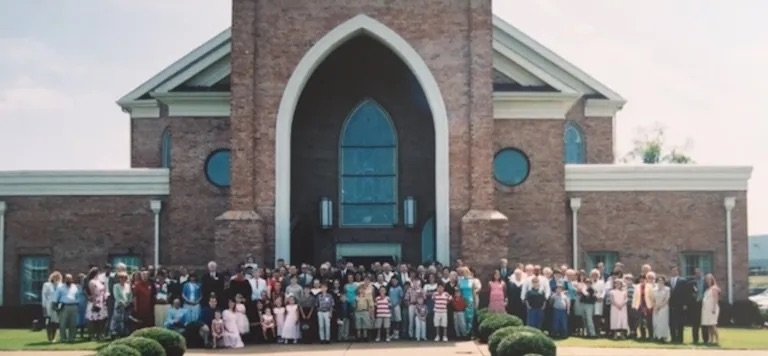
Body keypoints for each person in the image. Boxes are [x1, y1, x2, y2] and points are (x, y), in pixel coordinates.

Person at [85, 267, 109, 340]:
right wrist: (95, 303)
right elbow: (93, 293)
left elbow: (104, 290)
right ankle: (92, 335)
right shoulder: (91, 282)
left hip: (102, 301)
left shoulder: (99, 281)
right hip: (95, 301)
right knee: (93, 320)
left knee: (102, 319)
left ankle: (100, 334)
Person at [55, 274, 80, 343]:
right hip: (64, 306)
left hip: (74, 306)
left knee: (73, 324)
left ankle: (71, 338)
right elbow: (56, 297)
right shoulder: (60, 287)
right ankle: (63, 338)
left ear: (72, 280)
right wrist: (56, 306)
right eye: (67, 279)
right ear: (64, 279)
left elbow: (77, 296)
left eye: (70, 279)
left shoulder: (75, 287)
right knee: (63, 323)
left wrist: (77, 303)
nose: (68, 280)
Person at [632, 271, 656, 341]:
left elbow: (652, 297)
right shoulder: (637, 287)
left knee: (649, 322)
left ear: (646, 279)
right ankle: (643, 336)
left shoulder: (650, 286)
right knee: (641, 322)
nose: (642, 280)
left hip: (648, 306)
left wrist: (652, 305)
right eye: (641, 279)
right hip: (639, 306)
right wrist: (634, 306)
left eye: (643, 278)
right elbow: (635, 297)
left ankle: (651, 336)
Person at [668, 266, 688, 344]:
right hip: (671, 305)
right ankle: (673, 338)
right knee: (671, 323)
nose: (674, 272)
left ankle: (680, 339)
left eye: (676, 270)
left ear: (678, 271)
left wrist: (685, 304)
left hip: (680, 305)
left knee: (680, 322)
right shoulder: (668, 281)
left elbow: (686, 293)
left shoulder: (683, 281)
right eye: (673, 270)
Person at [110, 272, 132, 338]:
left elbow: (130, 295)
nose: (123, 279)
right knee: (117, 320)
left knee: (126, 320)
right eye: (121, 277)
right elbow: (116, 296)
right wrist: (122, 303)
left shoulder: (128, 286)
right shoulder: (116, 286)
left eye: (124, 278)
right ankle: (115, 333)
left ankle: (124, 333)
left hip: (127, 306)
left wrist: (128, 302)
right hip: (119, 306)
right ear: (119, 279)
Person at [457, 267, 479, 335]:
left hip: (470, 300)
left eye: (466, 272)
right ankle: (464, 332)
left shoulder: (472, 281)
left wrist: (475, 301)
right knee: (464, 317)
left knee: (470, 316)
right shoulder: (460, 281)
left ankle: (470, 332)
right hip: (463, 300)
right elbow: (459, 292)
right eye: (463, 272)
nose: (464, 273)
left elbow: (473, 292)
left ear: (468, 272)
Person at [42, 271, 62, 343]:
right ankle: (49, 337)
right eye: (54, 276)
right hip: (48, 305)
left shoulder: (60, 286)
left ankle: (53, 337)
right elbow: (44, 296)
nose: (56, 278)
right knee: (48, 322)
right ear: (52, 277)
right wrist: (44, 307)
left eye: (57, 277)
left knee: (55, 322)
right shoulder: (46, 285)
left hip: (57, 305)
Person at [701, 273, 721, 345]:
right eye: (707, 279)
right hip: (706, 309)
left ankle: (717, 340)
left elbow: (716, 299)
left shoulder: (714, 288)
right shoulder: (707, 290)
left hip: (712, 308)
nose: (708, 281)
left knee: (713, 324)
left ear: (712, 280)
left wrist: (714, 308)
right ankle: (711, 339)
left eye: (709, 279)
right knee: (709, 325)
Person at [653, 275, 670, 342]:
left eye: (661, 280)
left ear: (664, 281)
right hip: (656, 307)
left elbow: (666, 299)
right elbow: (653, 299)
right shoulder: (654, 289)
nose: (660, 282)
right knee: (656, 322)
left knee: (663, 322)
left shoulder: (667, 289)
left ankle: (663, 337)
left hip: (664, 308)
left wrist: (660, 306)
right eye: (659, 280)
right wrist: (656, 307)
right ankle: (657, 336)